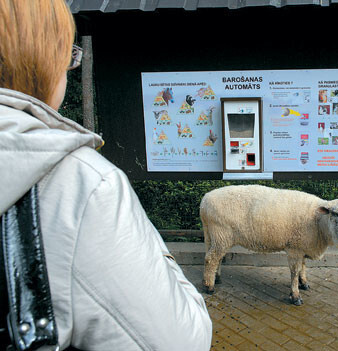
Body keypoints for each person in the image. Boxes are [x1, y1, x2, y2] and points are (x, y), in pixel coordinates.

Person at [0, 1, 212, 350]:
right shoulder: (78, 184)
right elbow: (183, 341)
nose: (68, 70)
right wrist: (158, 257)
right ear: (41, 59)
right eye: (66, 55)